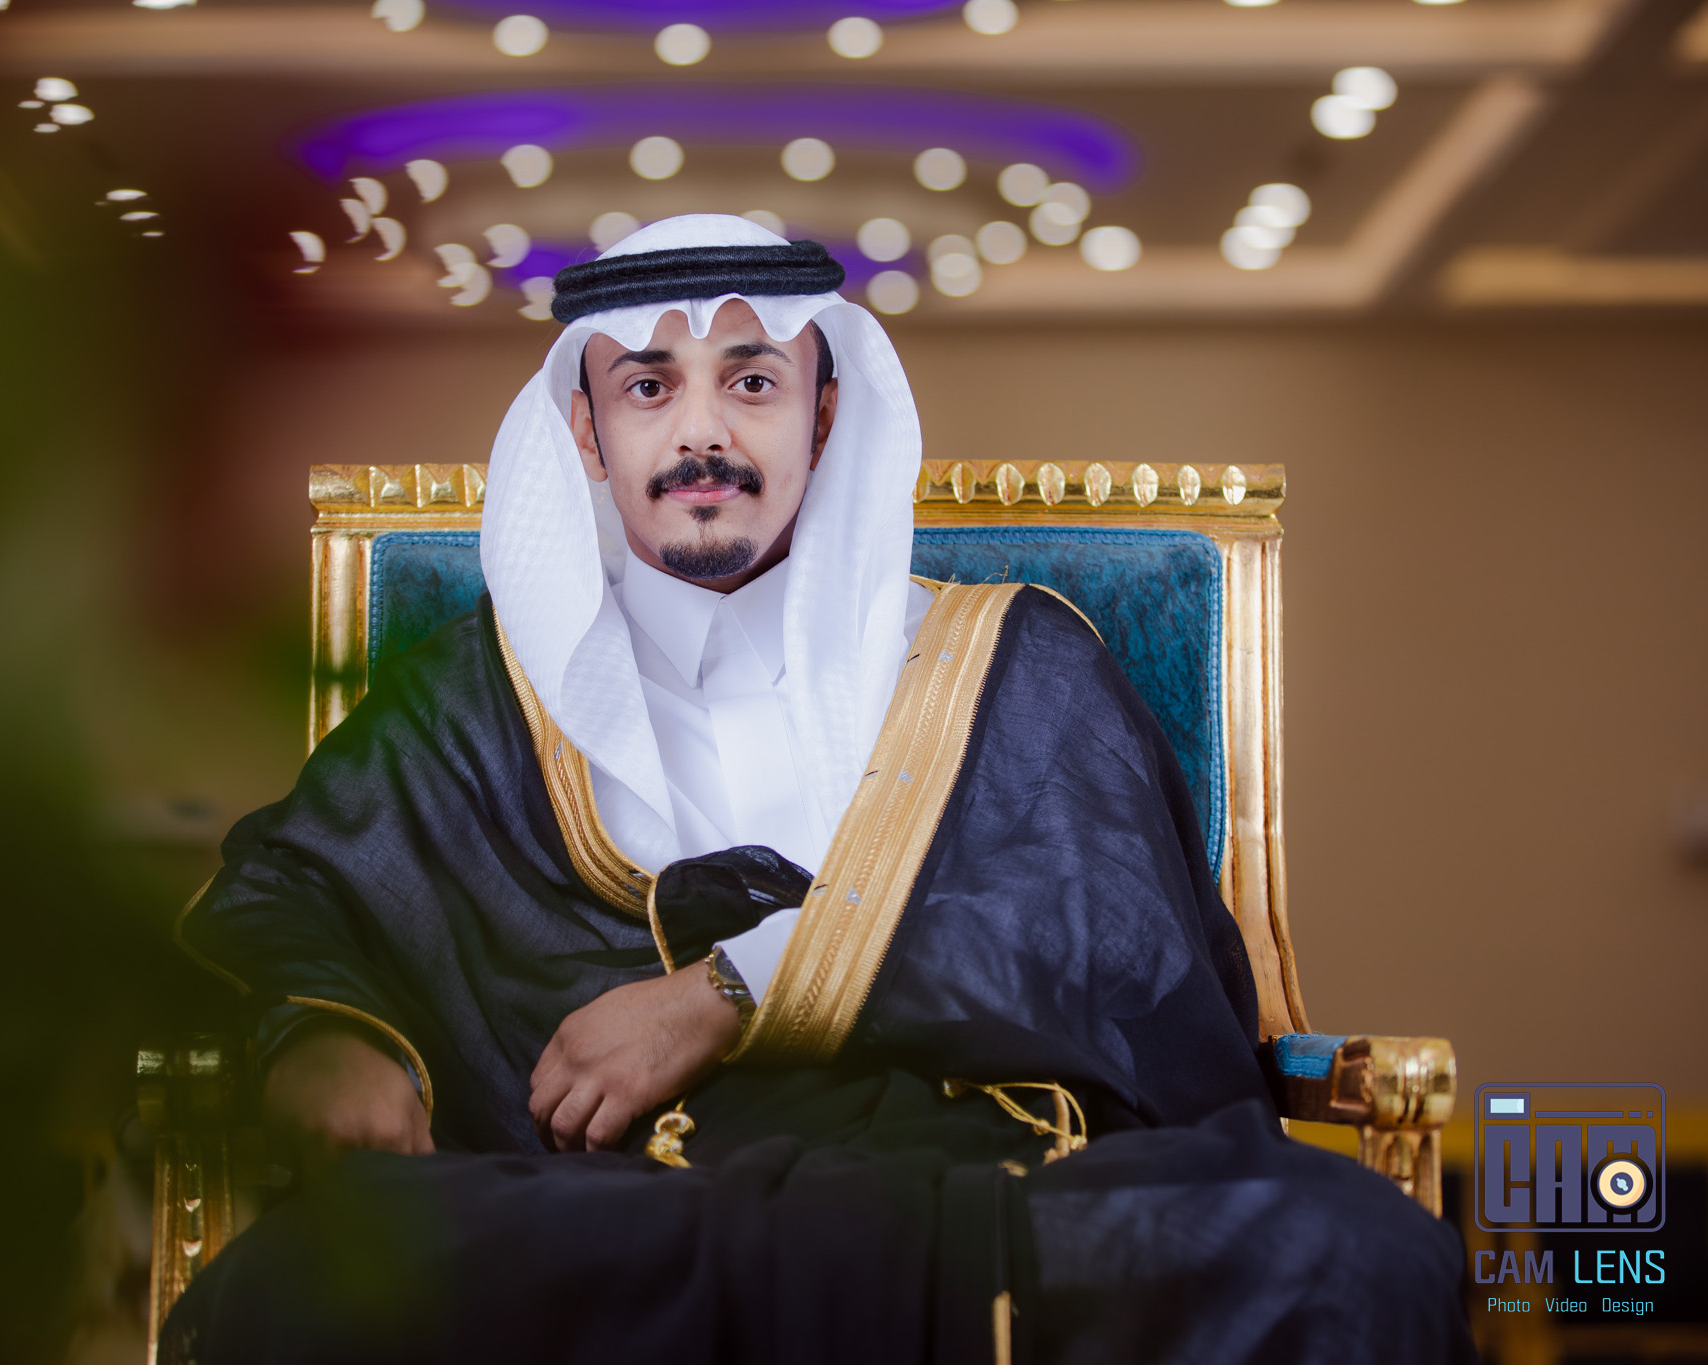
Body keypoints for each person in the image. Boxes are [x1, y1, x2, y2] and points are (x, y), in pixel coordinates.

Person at [164, 216, 1470, 1365]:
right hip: (610, 1204)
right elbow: (294, 893)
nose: (702, 432)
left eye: (751, 380)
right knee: (305, 1287)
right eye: (648, 386)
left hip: (995, 1176)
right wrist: (331, 1038)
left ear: (825, 415)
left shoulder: (1009, 658)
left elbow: (1111, 936)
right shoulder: (482, 695)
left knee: (1345, 1250)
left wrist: (730, 993)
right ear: (587, 430)